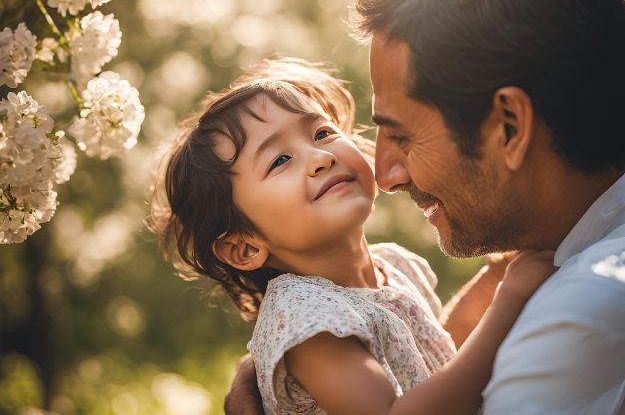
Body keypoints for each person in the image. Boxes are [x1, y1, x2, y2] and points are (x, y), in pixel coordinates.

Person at [226, 0, 625, 413]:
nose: (386, 174)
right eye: (278, 161)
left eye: (402, 135)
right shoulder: (307, 319)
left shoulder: (577, 321)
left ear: (510, 127)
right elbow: (430, 360)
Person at [148, 57, 554, 414]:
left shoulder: (392, 265)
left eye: (322, 133)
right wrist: (510, 300)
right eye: (281, 160)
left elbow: (437, 355)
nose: (320, 158)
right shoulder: (305, 322)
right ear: (244, 246)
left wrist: (494, 281)